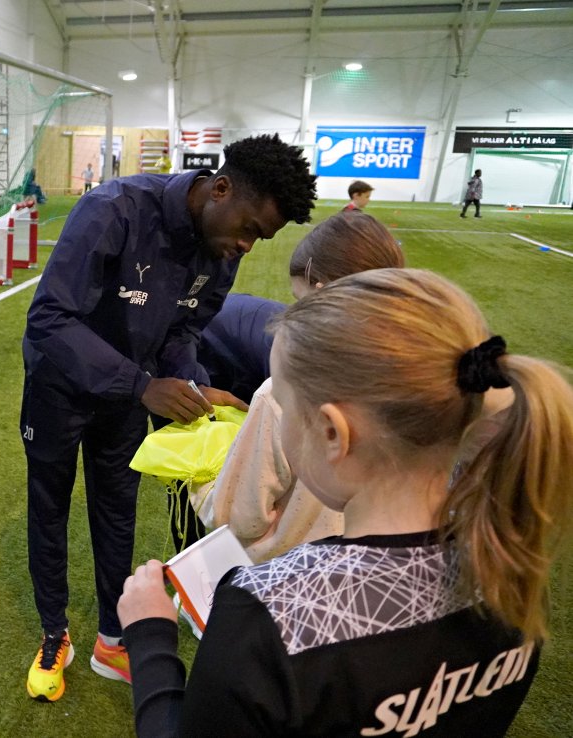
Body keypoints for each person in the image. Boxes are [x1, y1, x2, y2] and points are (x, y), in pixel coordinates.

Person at [118, 267, 573, 736]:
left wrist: (151, 637)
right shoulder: (511, 564)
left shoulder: (267, 613)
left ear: (334, 433)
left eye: (287, 411)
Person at [20, 133, 317, 702]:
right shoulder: (113, 210)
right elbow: (50, 320)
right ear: (220, 189)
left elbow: (183, 331)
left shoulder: (219, 251)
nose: (248, 246)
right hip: (60, 387)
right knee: (50, 508)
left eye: (263, 237)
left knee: (117, 510)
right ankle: (54, 633)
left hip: (132, 398)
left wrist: (191, 384)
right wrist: (142, 383)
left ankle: (113, 636)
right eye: (250, 228)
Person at [186, 212, 405, 560]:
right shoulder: (419, 380)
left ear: (319, 293)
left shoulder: (284, 391)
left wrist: (200, 484)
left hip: (280, 585)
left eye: (298, 299)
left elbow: (237, 519)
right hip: (370, 575)